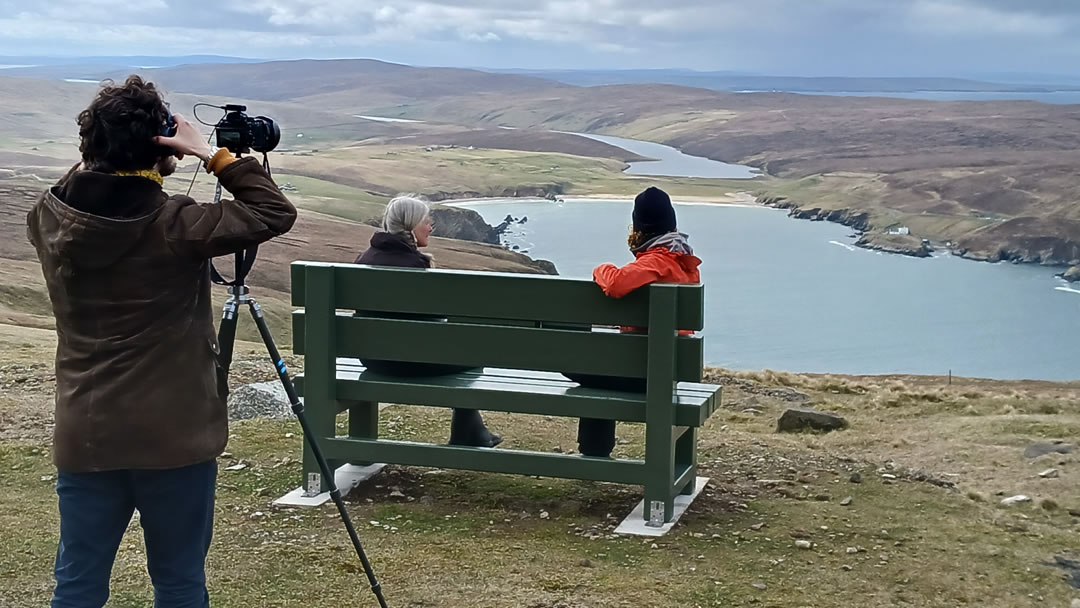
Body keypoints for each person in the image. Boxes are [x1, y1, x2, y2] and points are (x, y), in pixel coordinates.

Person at [25, 75, 297, 608]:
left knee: (77, 584)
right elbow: (273, 213)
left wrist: (109, 146)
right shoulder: (176, 224)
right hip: (174, 437)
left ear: (91, 148)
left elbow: (82, 183)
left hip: (87, 430)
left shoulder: (49, 217)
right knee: (178, 582)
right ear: (159, 145)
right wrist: (210, 154)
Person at [354, 195, 502, 448]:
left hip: (372, 358)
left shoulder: (364, 259)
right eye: (425, 220)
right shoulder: (414, 266)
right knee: (475, 357)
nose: (430, 225)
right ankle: (468, 433)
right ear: (411, 226)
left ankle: (474, 433)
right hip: (411, 362)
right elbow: (432, 324)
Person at [567, 186, 702, 458]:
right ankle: (594, 451)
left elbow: (616, 283)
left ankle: (594, 452)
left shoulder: (658, 262)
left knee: (579, 362)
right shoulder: (686, 265)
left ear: (640, 227)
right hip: (670, 370)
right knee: (600, 367)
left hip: (644, 374)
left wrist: (600, 268)